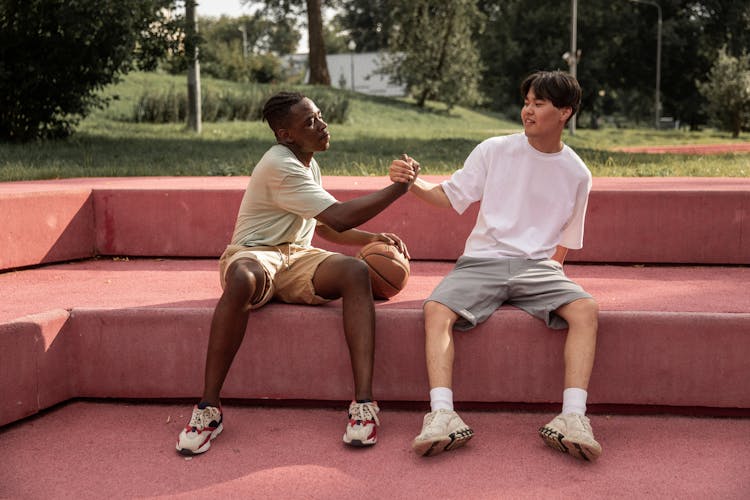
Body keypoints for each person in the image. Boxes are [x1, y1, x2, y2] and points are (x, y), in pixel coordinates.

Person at [176, 91, 416, 455]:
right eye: (310, 122)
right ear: (285, 134)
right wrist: (397, 190)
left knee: (354, 272)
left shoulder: (307, 162)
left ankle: (364, 406)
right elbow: (337, 216)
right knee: (242, 279)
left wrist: (373, 238)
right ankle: (208, 410)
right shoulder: (279, 164)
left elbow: (324, 226)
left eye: (319, 116)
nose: (321, 125)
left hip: (297, 257)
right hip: (254, 254)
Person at [390, 70, 602, 461]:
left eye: (539, 103)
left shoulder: (578, 173)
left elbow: (566, 243)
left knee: (586, 309)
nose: (528, 110)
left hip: (538, 267)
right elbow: (449, 197)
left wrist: (549, 274)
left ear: (565, 112)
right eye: (527, 102)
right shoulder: (494, 150)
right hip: (481, 261)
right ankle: (441, 415)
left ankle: (573, 418)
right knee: (436, 308)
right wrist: (411, 183)